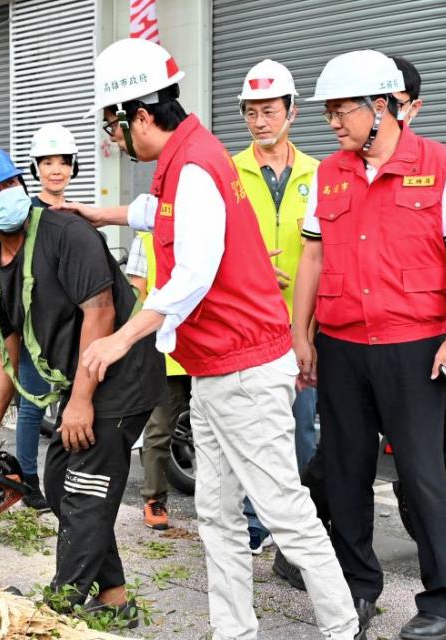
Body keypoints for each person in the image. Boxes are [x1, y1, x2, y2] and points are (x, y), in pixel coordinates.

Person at [67, 38, 360, 640]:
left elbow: (194, 273)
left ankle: (341, 626)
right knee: (217, 514)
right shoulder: (186, 159)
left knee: (283, 510)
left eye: (114, 129)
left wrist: (122, 338)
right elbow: (165, 212)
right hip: (217, 369)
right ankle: (234, 630)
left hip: (246, 368)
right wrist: (108, 215)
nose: (115, 141)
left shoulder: (195, 166)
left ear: (140, 116)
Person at [293, 49, 446, 640]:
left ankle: (442, 598)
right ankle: (358, 588)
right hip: (341, 345)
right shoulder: (328, 173)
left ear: (383, 106)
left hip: (415, 344)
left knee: (421, 474)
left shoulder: (442, 166)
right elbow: (312, 254)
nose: (334, 122)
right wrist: (301, 332)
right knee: (345, 471)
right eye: (330, 112)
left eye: (343, 110)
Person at [0, 145, 165, 625]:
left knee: (85, 487)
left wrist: (81, 401)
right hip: (82, 383)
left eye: (6, 186)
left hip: (121, 372)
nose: (1, 197)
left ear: (21, 185)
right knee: (56, 481)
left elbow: (102, 312)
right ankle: (114, 598)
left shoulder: (65, 232)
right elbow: (0, 353)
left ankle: (60, 606)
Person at [232, 59, 320, 558]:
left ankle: (298, 528)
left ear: (291, 112)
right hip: (245, 328)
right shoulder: (228, 171)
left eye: (269, 111)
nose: (260, 122)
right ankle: (252, 524)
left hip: (300, 328)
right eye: (251, 113)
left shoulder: (319, 173)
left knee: (301, 432)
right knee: (251, 433)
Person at [12, 123, 83, 512]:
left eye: (63, 163)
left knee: (72, 402)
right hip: (36, 323)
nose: (56, 170)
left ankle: (66, 478)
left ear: (73, 167)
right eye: (48, 162)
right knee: (33, 403)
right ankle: (27, 479)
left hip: (71, 324)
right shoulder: (24, 215)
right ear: (36, 167)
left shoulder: (77, 212)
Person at [125, 232, 188, 531]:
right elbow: (137, 294)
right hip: (166, 350)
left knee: (219, 431)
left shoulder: (211, 218)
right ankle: (154, 499)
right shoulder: (146, 237)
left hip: (211, 347)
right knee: (160, 429)